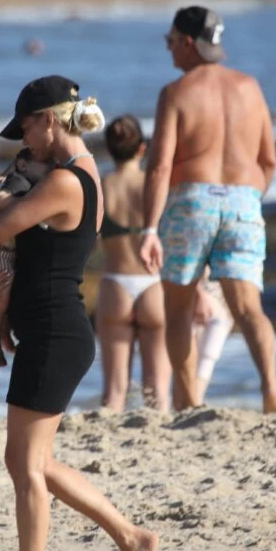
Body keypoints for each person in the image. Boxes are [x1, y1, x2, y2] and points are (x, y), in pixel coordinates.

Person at [0, 76, 158, 551]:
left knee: (26, 465)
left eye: (26, 130)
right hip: (52, 330)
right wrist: (3, 312)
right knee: (32, 461)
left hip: (56, 334)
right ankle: (132, 538)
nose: (23, 142)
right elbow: (37, 260)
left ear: (49, 121)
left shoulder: (66, 182)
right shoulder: (83, 173)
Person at [139, 5, 276, 414]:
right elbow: (268, 161)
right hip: (243, 201)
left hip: (191, 202)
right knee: (248, 309)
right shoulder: (250, 87)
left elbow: (160, 166)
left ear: (188, 43)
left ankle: (189, 401)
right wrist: (245, 199)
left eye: (170, 41)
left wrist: (149, 229)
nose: (168, 49)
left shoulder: (176, 93)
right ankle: (271, 391)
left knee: (179, 309)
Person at [96, 114, 170, 413]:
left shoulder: (102, 185)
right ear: (142, 148)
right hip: (153, 285)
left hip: (116, 284)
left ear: (109, 149)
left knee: (114, 393)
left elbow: (88, 237)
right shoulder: (153, 186)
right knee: (157, 392)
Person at [0, 147, 51, 367]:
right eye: (45, 163)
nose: (51, 167)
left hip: (5, 248)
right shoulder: (17, 180)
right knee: (0, 299)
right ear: (23, 165)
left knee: (8, 296)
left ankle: (4, 335)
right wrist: (30, 206)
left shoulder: (29, 181)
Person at [186, 267, 235, 411]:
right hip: (200, 287)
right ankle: (192, 402)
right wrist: (199, 293)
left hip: (211, 288)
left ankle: (193, 402)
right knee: (199, 355)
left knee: (204, 356)